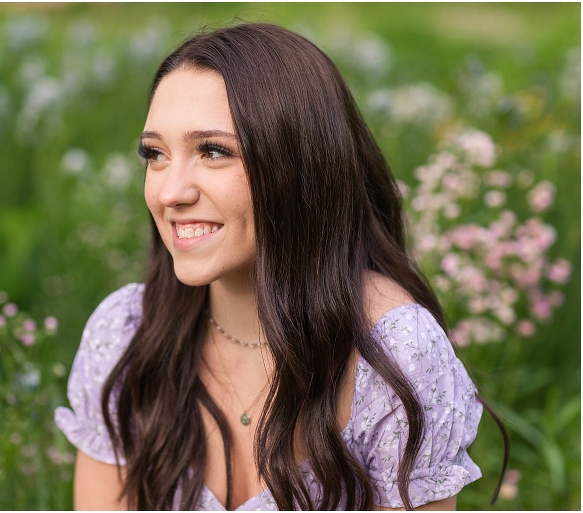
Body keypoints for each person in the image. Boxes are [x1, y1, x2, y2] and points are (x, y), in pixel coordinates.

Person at [56, 23, 505, 510]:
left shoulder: (392, 356)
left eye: (213, 151)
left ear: (299, 164)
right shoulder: (128, 334)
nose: (169, 192)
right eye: (156, 154)